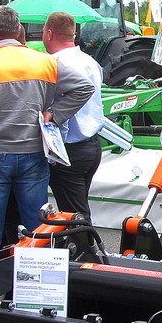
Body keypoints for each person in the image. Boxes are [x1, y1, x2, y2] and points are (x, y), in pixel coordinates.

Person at [0, 5, 94, 257]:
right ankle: (36, 286)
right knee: (36, 228)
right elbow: (84, 87)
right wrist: (55, 114)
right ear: (18, 30)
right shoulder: (46, 63)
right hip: (33, 155)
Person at [42, 12, 105, 219]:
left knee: (74, 216)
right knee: (76, 207)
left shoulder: (54, 64)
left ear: (49, 33)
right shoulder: (89, 61)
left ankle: (86, 249)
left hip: (69, 149)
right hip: (92, 146)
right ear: (73, 34)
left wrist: (54, 151)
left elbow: (64, 112)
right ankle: (74, 247)